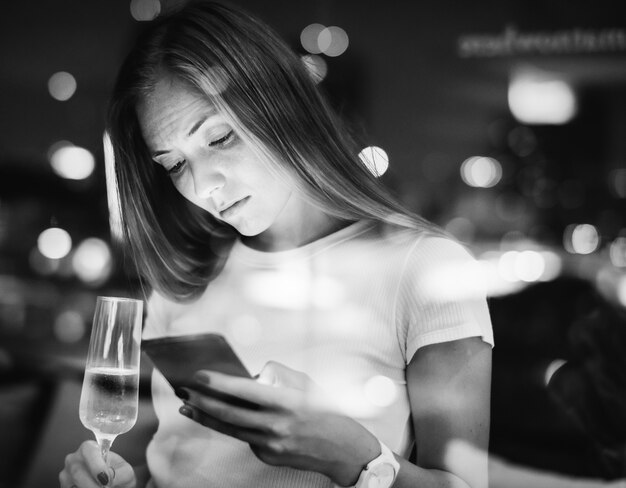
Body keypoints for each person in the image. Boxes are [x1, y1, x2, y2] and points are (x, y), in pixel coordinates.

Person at [59, 1, 493, 487]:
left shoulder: (424, 267)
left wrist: (355, 458)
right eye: (174, 164)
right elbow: (180, 464)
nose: (203, 186)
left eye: (219, 138)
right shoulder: (186, 278)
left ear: (282, 106)